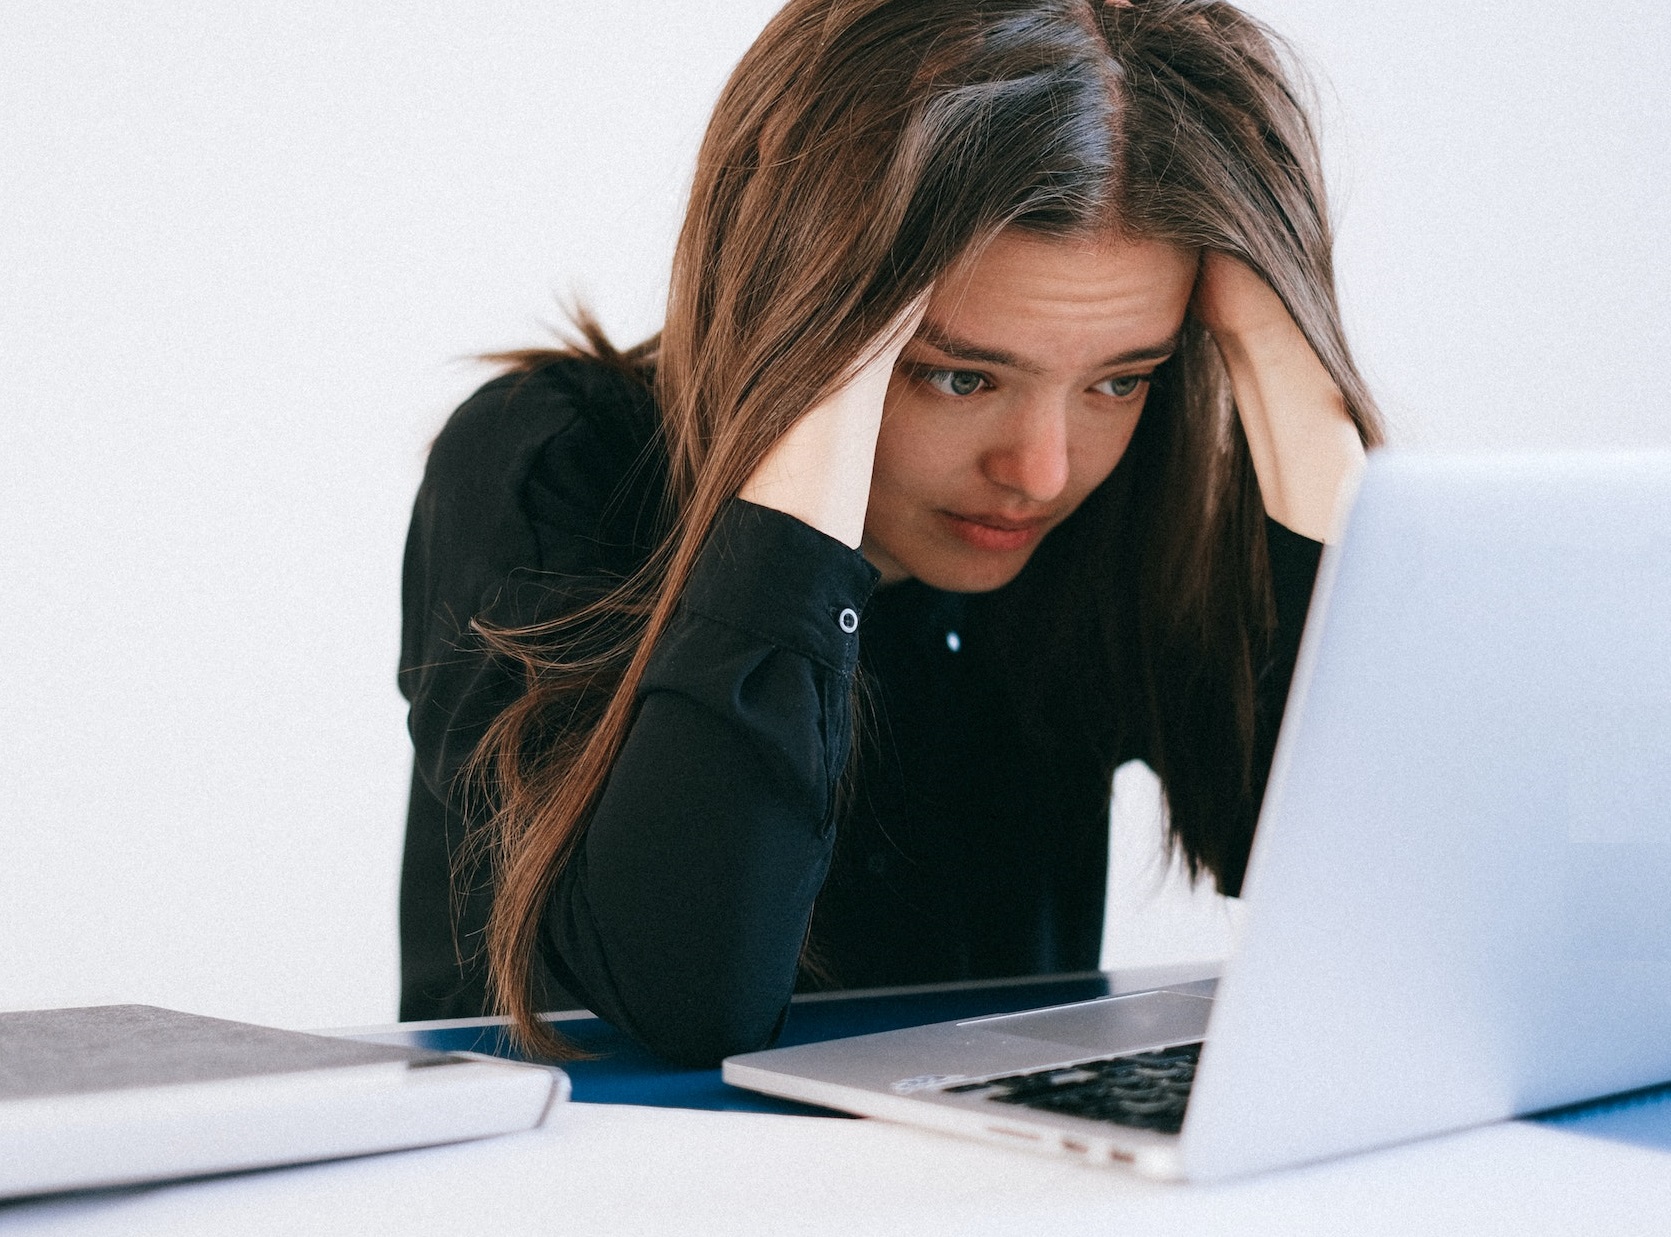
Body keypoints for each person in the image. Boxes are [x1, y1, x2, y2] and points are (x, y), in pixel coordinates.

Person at [399, 0, 1382, 1067]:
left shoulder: (1119, 501)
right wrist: (814, 393)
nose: (1042, 472)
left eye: (1119, 379)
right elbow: (687, 992)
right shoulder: (549, 465)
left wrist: (1297, 370)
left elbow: (1372, 898)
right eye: (958, 375)